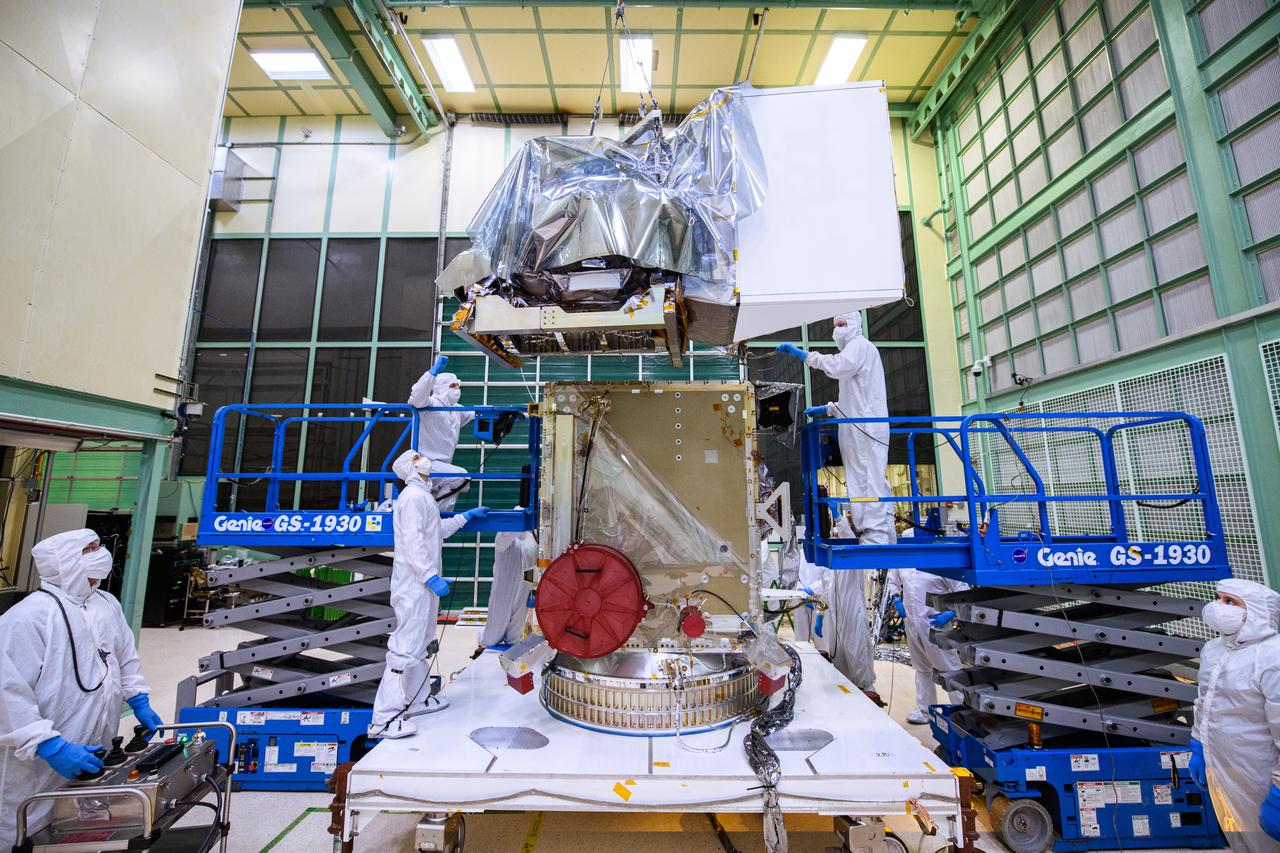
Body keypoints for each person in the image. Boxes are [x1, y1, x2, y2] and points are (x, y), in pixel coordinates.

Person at [0, 529, 163, 849]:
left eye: (99, 547)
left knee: (75, 828)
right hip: (37, 758)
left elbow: (125, 656)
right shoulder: (26, 618)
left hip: (94, 742)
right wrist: (48, 745)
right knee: (25, 828)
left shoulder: (106, 604)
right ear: (63, 562)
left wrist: (138, 698)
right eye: (89, 550)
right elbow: (7, 692)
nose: (101, 555)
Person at [370, 450, 489, 739]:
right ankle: (384, 719)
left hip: (422, 584)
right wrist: (429, 576)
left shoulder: (424, 496)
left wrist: (464, 517)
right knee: (405, 648)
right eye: (416, 458)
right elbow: (412, 542)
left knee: (422, 645)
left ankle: (419, 700)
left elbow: (437, 531)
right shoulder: (412, 497)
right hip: (414, 586)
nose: (423, 459)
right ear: (409, 469)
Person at [777, 312, 895, 548]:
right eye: (835, 325)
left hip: (866, 429)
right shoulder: (856, 350)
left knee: (867, 479)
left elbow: (838, 366)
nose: (837, 329)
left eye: (842, 324)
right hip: (858, 425)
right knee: (864, 478)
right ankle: (879, 533)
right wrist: (828, 409)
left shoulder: (859, 346)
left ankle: (876, 536)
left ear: (855, 325)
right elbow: (857, 398)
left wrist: (805, 355)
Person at [1188, 578, 1280, 852]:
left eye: (1230, 602)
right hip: (1224, 767)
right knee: (1241, 838)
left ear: (1255, 611)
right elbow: (1205, 703)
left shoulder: (1273, 656)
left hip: (1263, 772)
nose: (1219, 606)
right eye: (1218, 598)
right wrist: (1199, 745)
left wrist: (1279, 791)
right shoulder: (1214, 649)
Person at [886, 529, 969, 724]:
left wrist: (952, 613)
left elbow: (963, 591)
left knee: (949, 668)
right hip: (912, 623)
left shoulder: (940, 560)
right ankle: (925, 711)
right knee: (922, 668)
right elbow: (892, 582)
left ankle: (964, 712)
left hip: (936, 624)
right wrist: (896, 599)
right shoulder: (904, 560)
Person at [408, 354, 475, 511]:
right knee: (460, 477)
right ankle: (437, 516)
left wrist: (508, 412)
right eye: (452, 386)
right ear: (441, 387)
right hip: (425, 462)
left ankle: (432, 513)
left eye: (458, 386)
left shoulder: (456, 409)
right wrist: (433, 372)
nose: (456, 390)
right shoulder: (430, 404)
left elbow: (477, 412)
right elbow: (417, 397)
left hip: (442, 466)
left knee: (457, 481)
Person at [826, 513, 879, 698]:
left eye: (837, 533)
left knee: (857, 653)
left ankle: (868, 693)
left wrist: (838, 517)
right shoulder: (832, 561)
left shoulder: (852, 554)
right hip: (837, 616)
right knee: (840, 656)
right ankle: (848, 694)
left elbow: (847, 536)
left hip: (853, 612)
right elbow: (826, 585)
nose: (835, 536)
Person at [478, 516, 536, 650]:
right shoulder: (503, 538)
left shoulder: (531, 541)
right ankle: (482, 639)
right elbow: (507, 534)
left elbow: (532, 566)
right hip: (503, 592)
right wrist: (518, 520)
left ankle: (511, 648)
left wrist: (533, 591)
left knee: (514, 638)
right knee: (491, 639)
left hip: (523, 591)